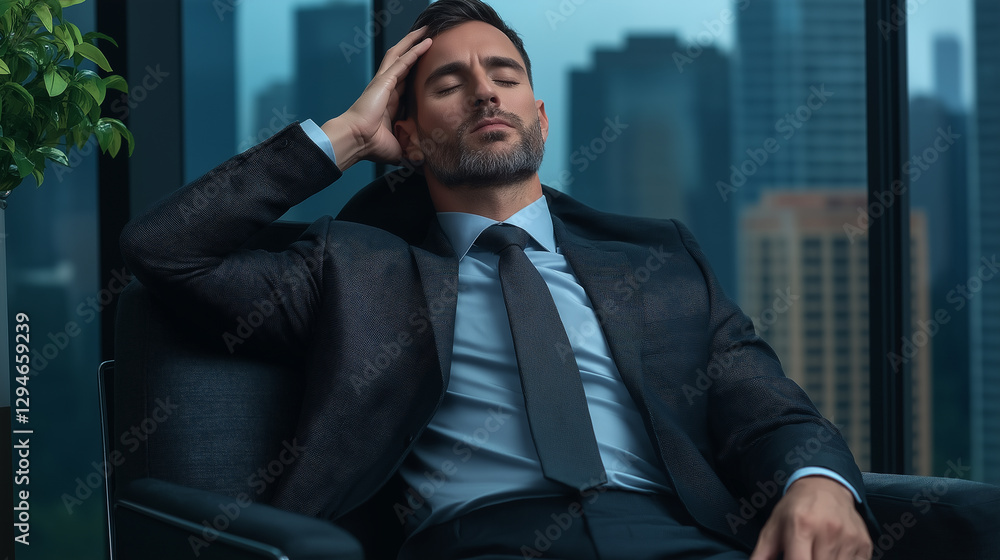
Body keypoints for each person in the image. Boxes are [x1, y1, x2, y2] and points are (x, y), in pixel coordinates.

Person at [120, 1, 876, 558]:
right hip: (480, 542)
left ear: (538, 115)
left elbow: (771, 412)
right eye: (449, 83)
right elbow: (165, 251)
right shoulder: (350, 269)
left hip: (675, 539)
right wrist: (348, 136)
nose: (484, 92)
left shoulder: (660, 260)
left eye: (504, 75)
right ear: (406, 135)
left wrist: (819, 481)